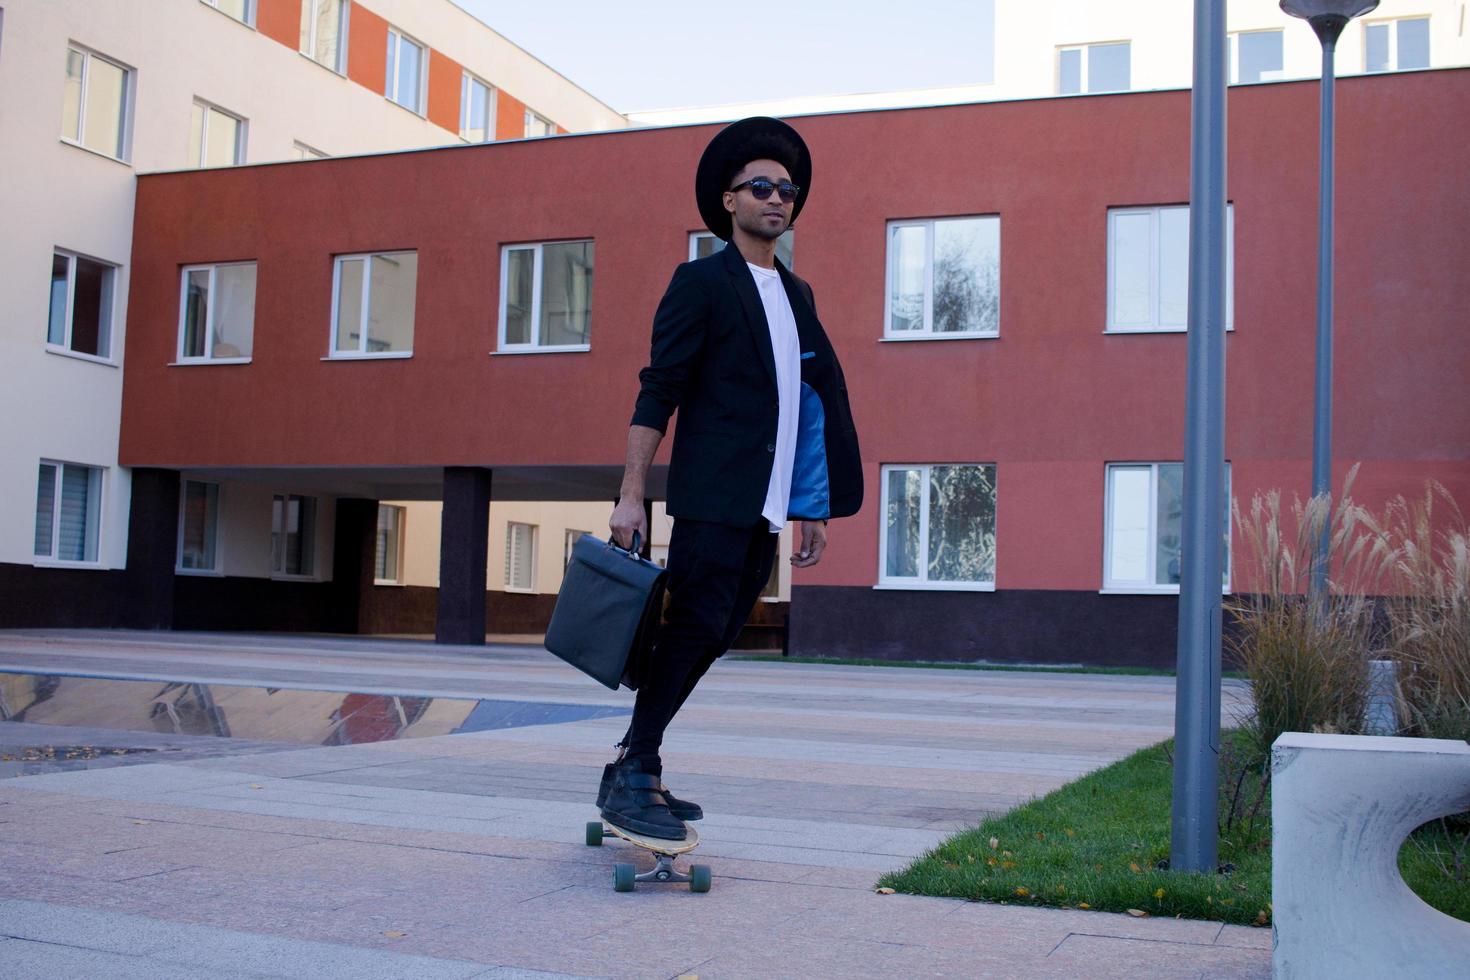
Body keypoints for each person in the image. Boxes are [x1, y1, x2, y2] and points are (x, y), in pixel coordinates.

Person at [598, 117, 863, 839]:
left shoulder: (797, 294)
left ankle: (633, 761)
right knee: (690, 626)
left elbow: (809, 404)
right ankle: (636, 767)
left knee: (712, 634)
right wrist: (631, 494)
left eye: (788, 189)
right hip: (715, 497)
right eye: (762, 187)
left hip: (769, 506)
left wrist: (813, 503)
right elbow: (660, 389)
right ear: (729, 201)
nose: (778, 198)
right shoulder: (702, 283)